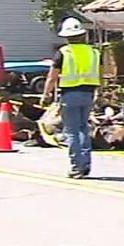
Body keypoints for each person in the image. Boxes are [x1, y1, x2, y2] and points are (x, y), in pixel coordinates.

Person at [43, 18, 101, 178]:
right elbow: (100, 74)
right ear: (83, 35)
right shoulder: (94, 52)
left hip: (70, 95)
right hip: (88, 94)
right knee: (83, 129)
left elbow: (52, 77)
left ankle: (77, 167)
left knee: (72, 131)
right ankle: (86, 165)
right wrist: (100, 94)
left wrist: (46, 94)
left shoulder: (64, 52)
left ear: (67, 37)